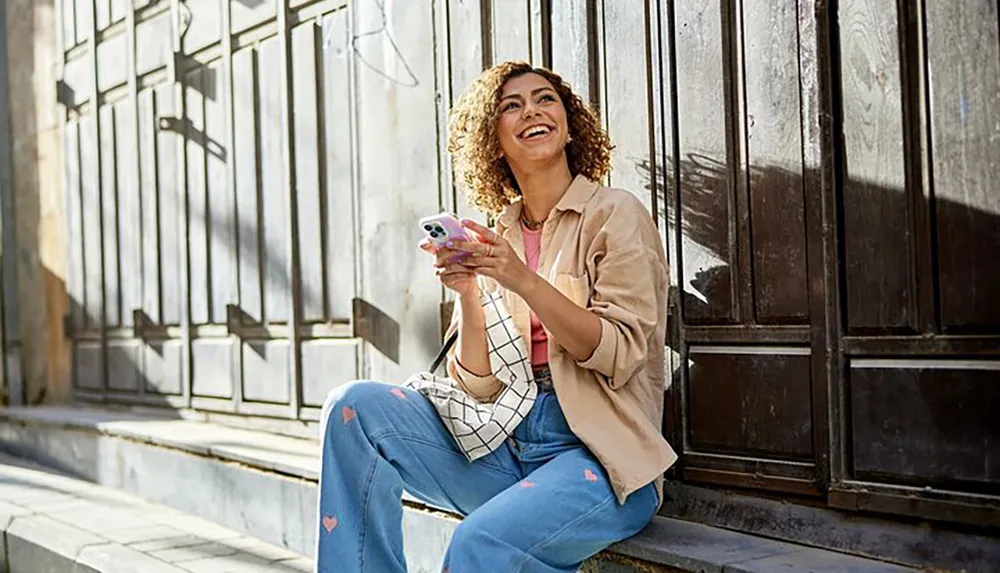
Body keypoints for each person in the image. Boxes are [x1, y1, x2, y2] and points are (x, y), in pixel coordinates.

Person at [315, 60, 677, 573]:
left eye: (545, 99)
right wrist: (467, 294)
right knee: (352, 408)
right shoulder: (496, 237)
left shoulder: (613, 214)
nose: (531, 110)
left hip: (599, 460)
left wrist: (521, 279)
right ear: (495, 141)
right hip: (504, 446)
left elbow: (620, 351)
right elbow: (478, 388)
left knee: (476, 545)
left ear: (570, 124)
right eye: (512, 105)